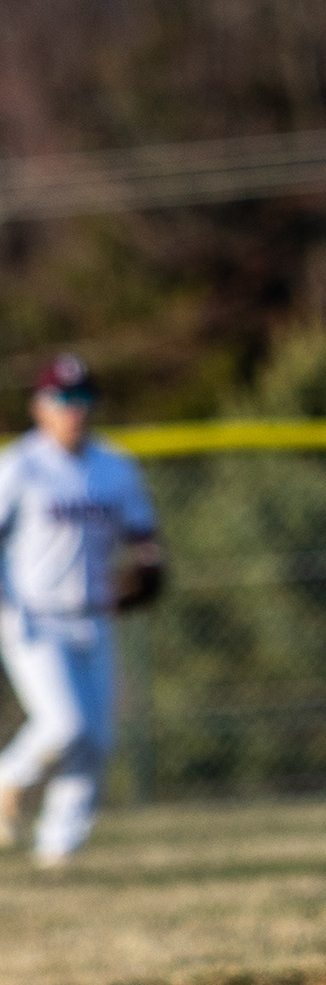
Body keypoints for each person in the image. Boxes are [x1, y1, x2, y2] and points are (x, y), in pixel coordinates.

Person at [0, 354, 165, 869]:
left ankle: (59, 849)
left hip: (94, 614)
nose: (75, 409)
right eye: (63, 398)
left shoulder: (114, 466)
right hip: (32, 616)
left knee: (96, 739)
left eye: (83, 398)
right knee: (63, 725)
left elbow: (143, 535)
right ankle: (7, 778)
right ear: (39, 406)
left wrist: (148, 567)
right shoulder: (20, 466)